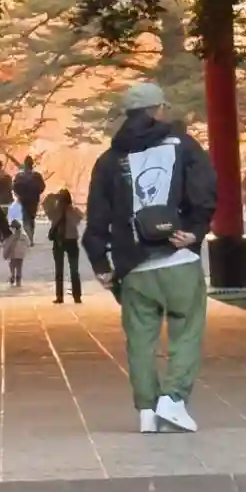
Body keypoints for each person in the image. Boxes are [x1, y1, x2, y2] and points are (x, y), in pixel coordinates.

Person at [84, 81, 217, 434]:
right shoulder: (183, 146)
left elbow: (97, 216)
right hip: (178, 258)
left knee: (140, 342)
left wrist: (101, 264)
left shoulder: (109, 160)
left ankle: (146, 409)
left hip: (133, 266)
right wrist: (195, 230)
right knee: (186, 332)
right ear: (158, 110)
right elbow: (205, 191)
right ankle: (173, 400)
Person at [47, 187, 83, 305]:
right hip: (72, 240)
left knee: (59, 270)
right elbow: (80, 218)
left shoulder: (55, 211)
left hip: (59, 241)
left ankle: (59, 296)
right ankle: (77, 296)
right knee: (74, 270)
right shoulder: (73, 211)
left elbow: (48, 208)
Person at [12, 155, 47, 242]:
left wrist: (18, 195)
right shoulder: (37, 176)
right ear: (32, 165)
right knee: (31, 218)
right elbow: (42, 187)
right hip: (34, 199)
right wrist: (37, 193)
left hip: (23, 199)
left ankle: (29, 236)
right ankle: (31, 236)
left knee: (25, 218)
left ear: (25, 164)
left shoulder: (19, 176)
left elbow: (14, 187)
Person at [3, 215, 31, 287]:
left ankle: (12, 275)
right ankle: (18, 281)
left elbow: (7, 245)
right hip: (21, 254)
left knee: (12, 265)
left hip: (13, 254)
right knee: (19, 267)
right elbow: (28, 244)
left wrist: (5, 254)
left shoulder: (12, 236)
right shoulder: (24, 235)